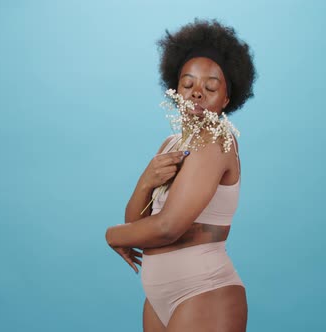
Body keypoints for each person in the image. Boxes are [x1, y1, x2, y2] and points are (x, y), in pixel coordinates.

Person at [105, 18, 256, 332]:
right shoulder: (171, 144)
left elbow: (167, 228)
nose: (197, 93)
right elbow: (138, 223)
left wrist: (112, 235)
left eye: (210, 87)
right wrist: (145, 180)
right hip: (159, 298)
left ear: (227, 98)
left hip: (204, 291)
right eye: (188, 85)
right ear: (175, 91)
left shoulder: (216, 140)